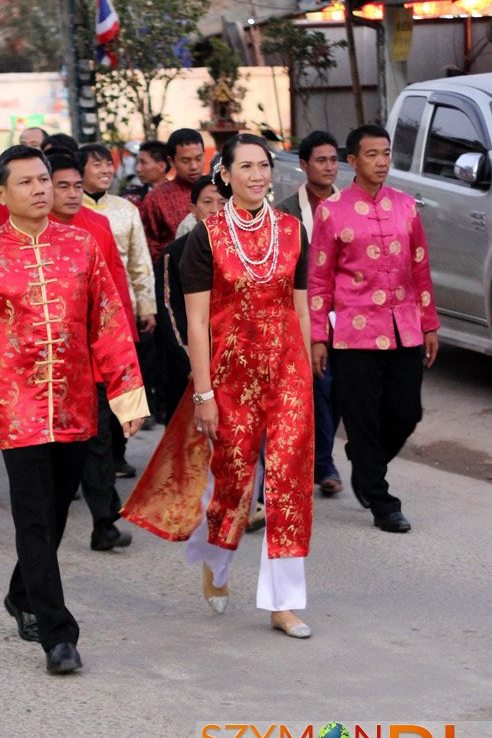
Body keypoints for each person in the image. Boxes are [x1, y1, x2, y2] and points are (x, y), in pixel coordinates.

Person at [0, 145, 147, 675]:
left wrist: (127, 398)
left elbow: (108, 324)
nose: (39, 190)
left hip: (77, 399)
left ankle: (20, 593)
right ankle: (59, 634)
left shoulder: (81, 246)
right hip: (16, 405)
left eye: (44, 180)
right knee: (33, 517)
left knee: (55, 514)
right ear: (2, 193)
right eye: (27, 182)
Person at [123, 134, 314, 638]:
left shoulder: (293, 231)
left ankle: (283, 603)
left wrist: (310, 368)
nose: (258, 175)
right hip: (230, 379)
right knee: (232, 482)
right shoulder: (204, 239)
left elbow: (300, 307)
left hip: (288, 373)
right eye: (245, 167)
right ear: (224, 176)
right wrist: (204, 393)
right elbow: (198, 322)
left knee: (290, 483)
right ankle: (216, 562)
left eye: (264, 166)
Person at [309, 124, 439, 534]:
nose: (381, 161)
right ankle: (383, 502)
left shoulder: (405, 206)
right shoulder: (331, 212)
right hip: (353, 333)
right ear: (353, 161)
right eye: (371, 154)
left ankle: (365, 465)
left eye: (386, 153)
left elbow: (420, 267)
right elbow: (319, 280)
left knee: (407, 412)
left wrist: (430, 324)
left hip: (405, 328)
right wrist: (317, 335)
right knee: (362, 419)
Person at [47, 150, 137, 552]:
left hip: (92, 358)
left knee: (99, 439)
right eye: (60, 186)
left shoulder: (96, 226)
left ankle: (105, 521)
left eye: (76, 186)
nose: (70, 194)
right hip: (45, 362)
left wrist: (124, 342)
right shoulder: (29, 230)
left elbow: (116, 289)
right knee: (58, 449)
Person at [80, 142, 155, 478]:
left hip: (121, 308)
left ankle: (118, 453)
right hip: (83, 311)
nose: (106, 171)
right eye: (97, 165)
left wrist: (146, 307)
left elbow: (140, 262)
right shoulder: (68, 210)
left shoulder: (126, 209)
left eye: (108, 165)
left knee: (121, 383)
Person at [277, 130, 343, 496]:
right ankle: (325, 464)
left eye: (334, 160)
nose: (329, 167)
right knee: (320, 385)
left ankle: (326, 453)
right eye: (321, 160)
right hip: (306, 313)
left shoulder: (351, 206)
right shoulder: (286, 211)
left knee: (343, 391)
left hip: (351, 314)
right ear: (304, 165)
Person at [154, 175, 226, 423]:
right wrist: (190, 363)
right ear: (193, 208)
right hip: (186, 362)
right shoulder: (174, 254)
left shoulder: (243, 250)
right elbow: (169, 311)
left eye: (223, 202)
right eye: (207, 202)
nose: (215, 210)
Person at [140, 128, 206, 263]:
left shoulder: (218, 190)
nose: (194, 166)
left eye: (198, 158)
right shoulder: (156, 199)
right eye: (186, 160)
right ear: (171, 162)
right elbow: (149, 248)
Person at [122, 139, 170, 205]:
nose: (137, 169)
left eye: (143, 162)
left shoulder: (178, 196)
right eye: (137, 162)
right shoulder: (129, 197)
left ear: (161, 166)